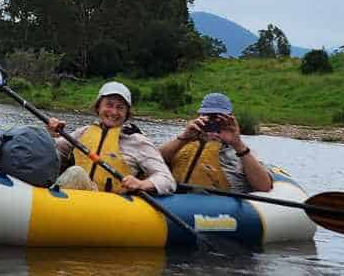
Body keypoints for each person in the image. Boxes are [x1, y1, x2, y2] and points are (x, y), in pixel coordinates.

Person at [44, 81, 175, 196]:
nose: (113, 112)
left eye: (120, 107)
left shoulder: (138, 141)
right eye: (109, 104)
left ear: (127, 113)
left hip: (110, 208)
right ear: (98, 107)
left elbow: (167, 180)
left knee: (76, 173)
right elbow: (51, 156)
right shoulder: (82, 132)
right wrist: (51, 133)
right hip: (77, 199)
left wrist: (142, 184)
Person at [155, 92, 274, 195]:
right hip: (176, 202)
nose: (212, 122)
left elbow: (264, 187)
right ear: (199, 117)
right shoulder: (182, 143)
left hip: (219, 211)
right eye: (208, 116)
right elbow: (152, 161)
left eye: (218, 117)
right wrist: (184, 137)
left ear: (230, 119)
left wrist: (237, 144)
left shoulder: (241, 152)